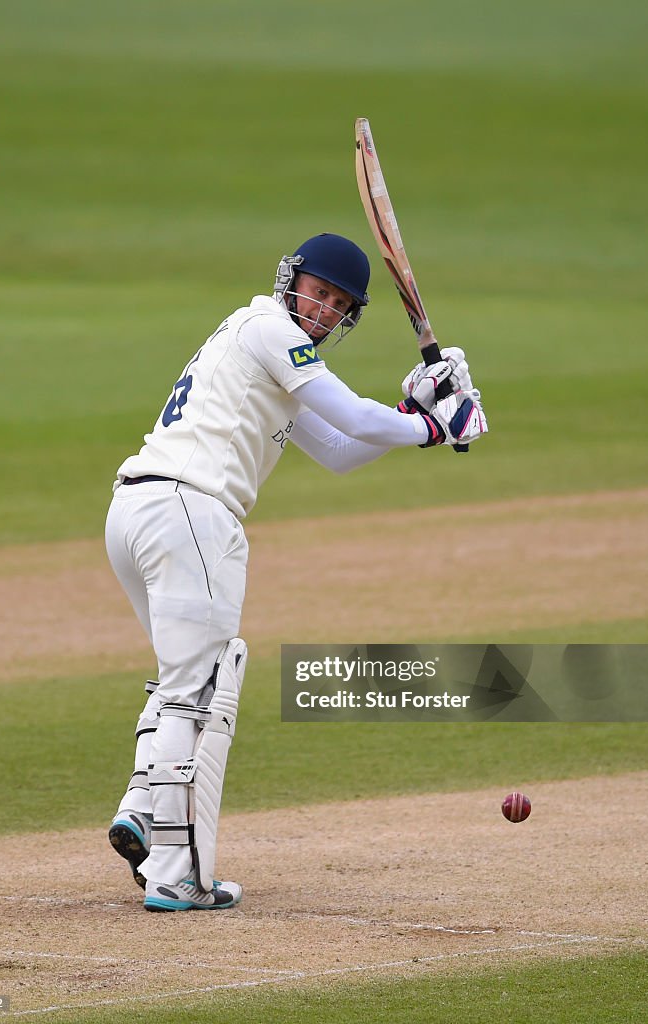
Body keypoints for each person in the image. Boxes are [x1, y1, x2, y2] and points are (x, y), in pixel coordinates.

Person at [104, 233, 488, 912]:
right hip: (191, 509)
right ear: (292, 281)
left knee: (182, 677)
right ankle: (176, 873)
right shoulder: (268, 327)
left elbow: (342, 446)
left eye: (339, 305)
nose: (324, 309)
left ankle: (142, 811)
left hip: (139, 511)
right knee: (205, 688)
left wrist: (415, 413)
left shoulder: (263, 345)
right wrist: (436, 427)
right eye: (319, 292)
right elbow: (354, 416)